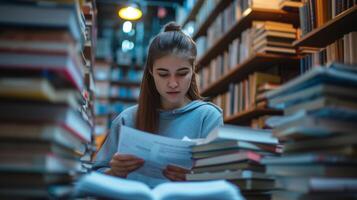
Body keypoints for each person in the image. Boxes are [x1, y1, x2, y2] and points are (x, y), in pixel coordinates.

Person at [93, 22, 223, 182]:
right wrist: (113, 172)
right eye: (163, 74)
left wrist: (195, 178)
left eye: (182, 73)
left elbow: (221, 179)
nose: (173, 83)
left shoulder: (208, 117)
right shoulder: (127, 119)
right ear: (151, 72)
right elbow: (93, 176)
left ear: (193, 70)